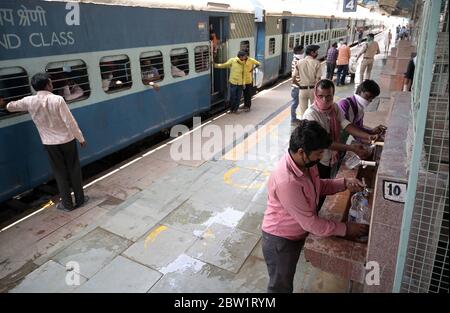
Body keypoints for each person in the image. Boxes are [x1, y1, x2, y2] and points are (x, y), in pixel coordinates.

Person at [261, 119, 370, 293]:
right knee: (280, 286)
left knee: (286, 278)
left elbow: (319, 186)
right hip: (281, 239)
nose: (320, 157)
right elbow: (310, 223)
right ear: (302, 151)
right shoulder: (287, 181)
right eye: (318, 153)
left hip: (296, 231)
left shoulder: (306, 164)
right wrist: (346, 229)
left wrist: (344, 183)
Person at [0, 73, 88, 212]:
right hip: (67, 140)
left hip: (49, 143)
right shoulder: (58, 99)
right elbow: (70, 122)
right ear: (48, 85)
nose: (52, 84)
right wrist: (81, 138)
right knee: (74, 169)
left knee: (59, 173)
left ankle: (67, 204)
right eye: (51, 82)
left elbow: (11, 106)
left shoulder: (29, 101)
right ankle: (80, 199)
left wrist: (4, 103)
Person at [303, 79, 378, 209]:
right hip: (316, 160)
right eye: (321, 96)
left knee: (324, 186)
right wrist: (351, 148)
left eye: (329, 96)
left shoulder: (334, 108)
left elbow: (345, 124)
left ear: (333, 94)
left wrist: (368, 136)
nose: (325, 100)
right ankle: (314, 213)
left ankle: (319, 209)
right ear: (315, 95)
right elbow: (325, 142)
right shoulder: (311, 114)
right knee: (316, 189)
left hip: (329, 157)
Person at [292, 45, 322, 118]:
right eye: (316, 52)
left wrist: (298, 85)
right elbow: (318, 79)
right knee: (315, 111)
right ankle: (313, 126)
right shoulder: (317, 63)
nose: (317, 53)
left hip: (302, 90)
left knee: (303, 113)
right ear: (312, 52)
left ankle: (305, 127)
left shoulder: (299, 62)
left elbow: (293, 77)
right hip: (313, 89)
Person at [290, 45, 304, 122]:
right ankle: (293, 118)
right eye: (302, 51)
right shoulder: (297, 61)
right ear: (299, 52)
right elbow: (294, 77)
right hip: (297, 86)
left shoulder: (295, 59)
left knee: (295, 103)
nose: (303, 52)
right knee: (295, 103)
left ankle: (294, 118)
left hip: (295, 86)